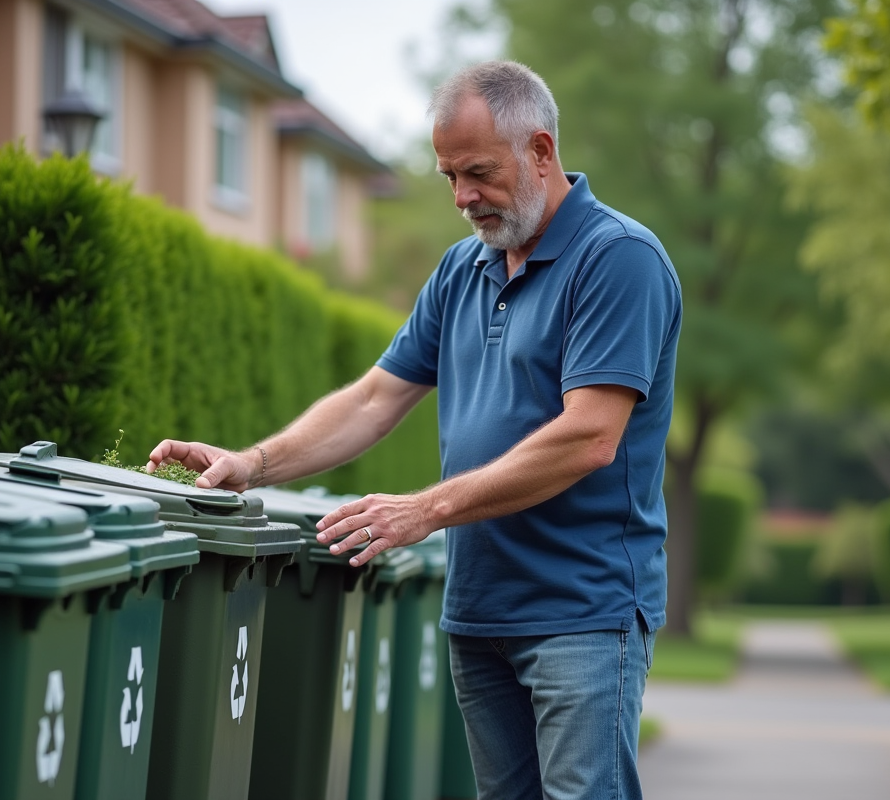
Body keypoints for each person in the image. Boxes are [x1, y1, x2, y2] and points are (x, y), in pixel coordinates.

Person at [146, 60, 681, 800]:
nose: (465, 197)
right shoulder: (464, 270)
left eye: (480, 173)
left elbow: (589, 436)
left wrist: (424, 510)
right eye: (450, 177)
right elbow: (372, 400)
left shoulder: (618, 260)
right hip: (481, 607)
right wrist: (254, 462)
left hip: (582, 613)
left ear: (542, 151)